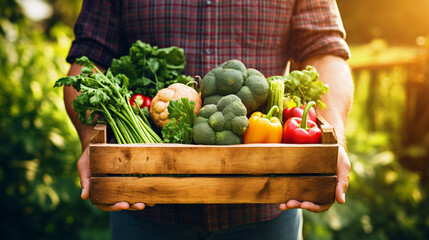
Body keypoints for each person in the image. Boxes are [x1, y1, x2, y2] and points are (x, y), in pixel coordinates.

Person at [64, 0, 353, 239]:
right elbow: (89, 59)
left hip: (269, 208)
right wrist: (93, 140)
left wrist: (332, 140)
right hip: (144, 208)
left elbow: (324, 49)